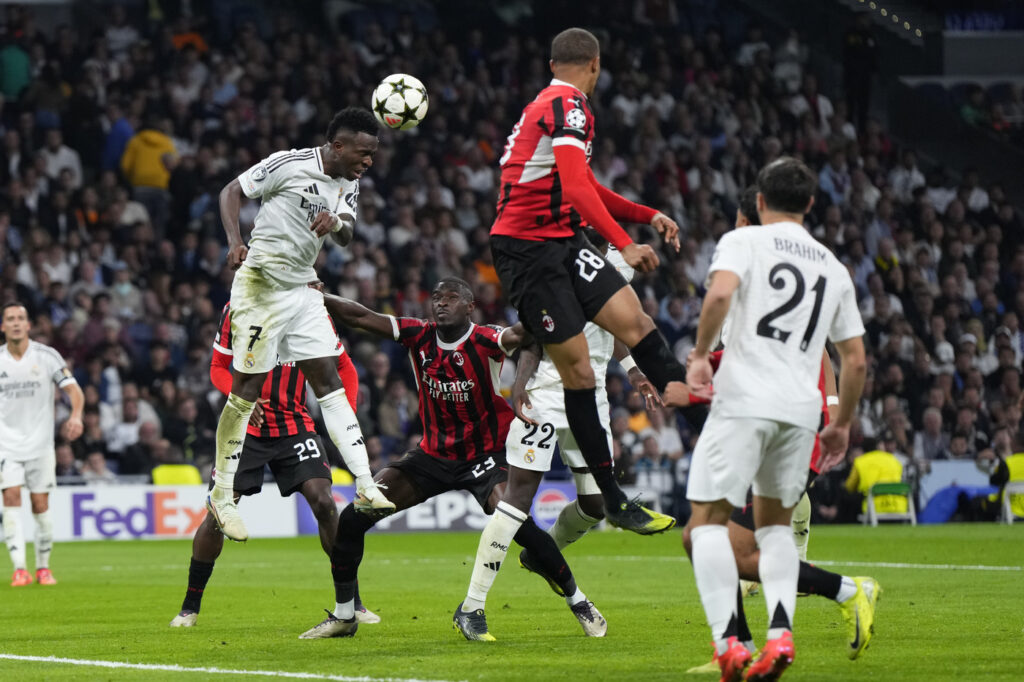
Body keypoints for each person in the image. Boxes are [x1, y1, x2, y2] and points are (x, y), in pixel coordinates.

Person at [300, 282, 605, 641]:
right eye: (436, 298)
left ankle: (577, 600)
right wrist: (312, 295)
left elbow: (527, 337)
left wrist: (548, 314)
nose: (441, 304)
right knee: (353, 517)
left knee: (517, 522)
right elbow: (361, 316)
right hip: (432, 455)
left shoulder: (487, 339)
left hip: (485, 455)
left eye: (451, 299)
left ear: (470, 306)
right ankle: (345, 614)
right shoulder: (419, 335)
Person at [489, 27, 696, 535]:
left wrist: (646, 214)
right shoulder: (570, 107)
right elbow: (579, 185)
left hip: (562, 240)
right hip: (529, 252)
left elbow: (584, 185)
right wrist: (623, 241)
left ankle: (692, 406)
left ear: (553, 61)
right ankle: (615, 500)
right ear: (595, 65)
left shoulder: (548, 105)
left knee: (634, 320)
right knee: (580, 372)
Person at [682, 158, 867, 680]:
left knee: (704, 527)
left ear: (759, 202)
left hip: (745, 401)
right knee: (775, 530)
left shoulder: (744, 241)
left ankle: (730, 646)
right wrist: (842, 421)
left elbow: (719, 295)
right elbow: (853, 358)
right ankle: (779, 634)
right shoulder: (834, 266)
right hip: (801, 413)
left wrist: (699, 355)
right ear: (810, 205)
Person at [209, 107, 392, 543]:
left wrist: (336, 224)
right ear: (338, 145)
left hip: (304, 289)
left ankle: (365, 484)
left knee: (326, 379)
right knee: (247, 391)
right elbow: (232, 190)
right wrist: (236, 242)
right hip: (260, 285)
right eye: (363, 152)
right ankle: (221, 494)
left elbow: (347, 232)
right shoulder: (289, 164)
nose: (369, 161)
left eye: (374, 154)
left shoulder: (349, 183)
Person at [459, 235, 660, 625]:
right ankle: (472, 605)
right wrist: (519, 386)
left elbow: (614, 323)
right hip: (547, 395)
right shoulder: (551, 263)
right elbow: (534, 332)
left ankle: (542, 554)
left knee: (596, 505)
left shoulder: (621, 263)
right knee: (518, 498)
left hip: (594, 396)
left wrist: (634, 370)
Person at [170, 299, 378, 627]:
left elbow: (344, 367)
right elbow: (218, 368)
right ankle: (189, 606)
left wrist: (346, 411)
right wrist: (240, 398)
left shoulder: (312, 309)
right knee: (218, 513)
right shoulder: (238, 306)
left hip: (295, 425)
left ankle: (352, 601)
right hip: (246, 426)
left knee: (325, 503)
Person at [0, 302, 84, 586]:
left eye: (20, 318)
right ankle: (19, 568)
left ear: (28, 325)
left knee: (40, 504)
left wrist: (76, 415)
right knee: (10, 497)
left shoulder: (46, 356)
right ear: (3, 326)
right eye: (9, 318)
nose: (15, 323)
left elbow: (73, 389)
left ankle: (43, 568)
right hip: (6, 445)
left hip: (39, 445)